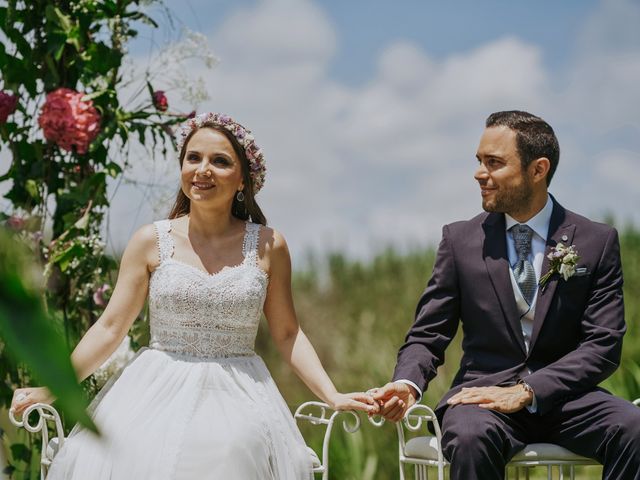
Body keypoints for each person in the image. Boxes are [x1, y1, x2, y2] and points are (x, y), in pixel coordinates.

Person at [11, 112, 376, 479]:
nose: (203, 170)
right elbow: (110, 327)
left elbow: (287, 333)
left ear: (243, 181)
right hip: (154, 390)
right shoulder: (149, 241)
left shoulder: (269, 246)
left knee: (231, 450)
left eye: (220, 161)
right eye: (193, 158)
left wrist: (332, 395)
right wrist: (54, 387)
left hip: (240, 393)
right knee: (128, 453)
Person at [373, 110, 640, 479]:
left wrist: (529, 390)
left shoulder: (597, 241)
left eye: (494, 163)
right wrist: (406, 384)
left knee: (635, 428)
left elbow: (603, 346)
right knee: (468, 436)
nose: (480, 173)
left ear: (538, 169)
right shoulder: (459, 240)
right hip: (481, 399)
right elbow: (427, 335)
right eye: (480, 161)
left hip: (567, 399)